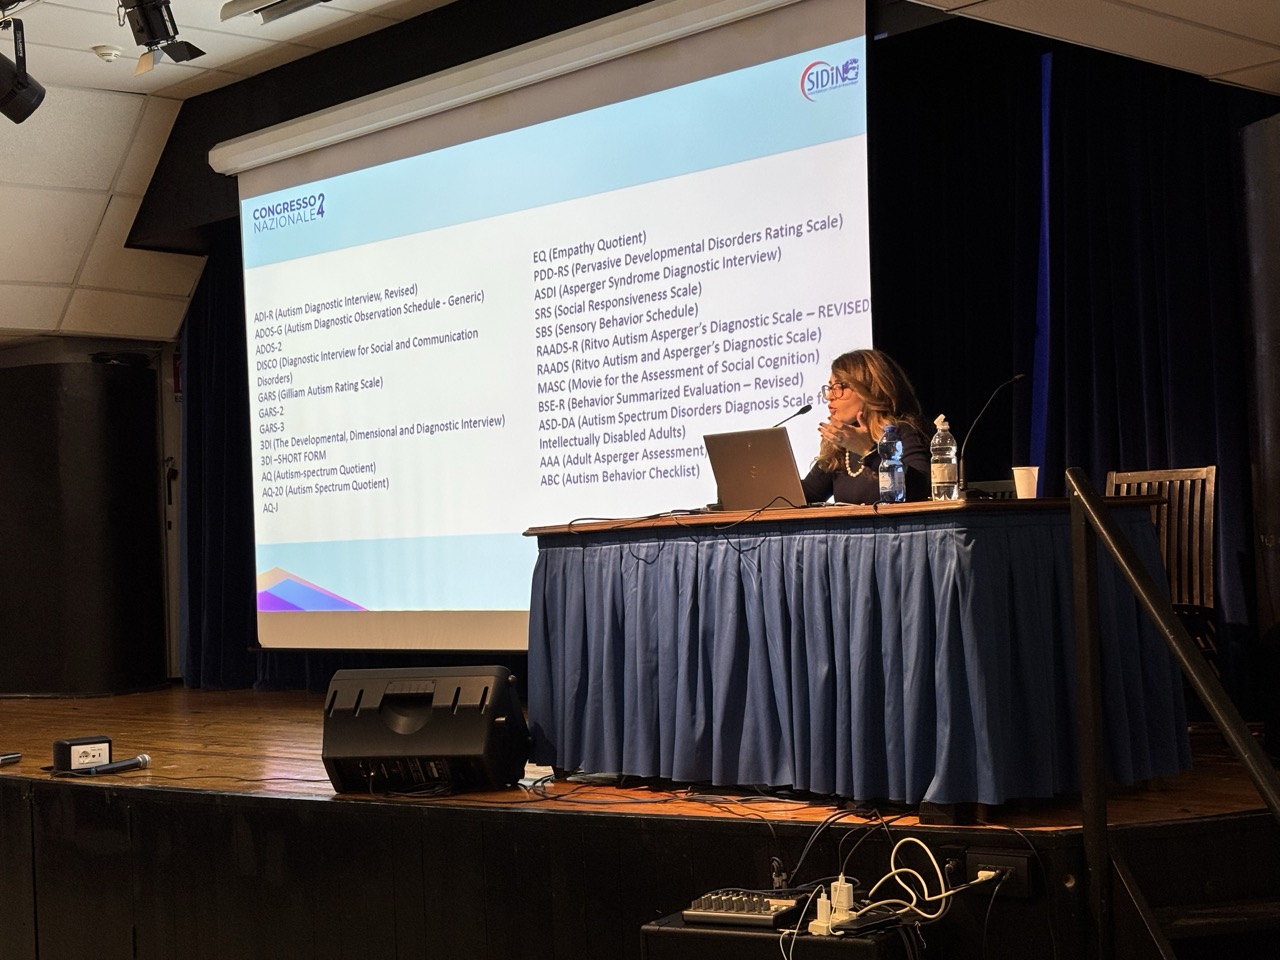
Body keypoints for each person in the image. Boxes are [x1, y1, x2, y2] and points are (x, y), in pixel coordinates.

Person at [800, 348, 930, 504]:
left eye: (839, 387)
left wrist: (867, 451)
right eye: (830, 387)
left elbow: (921, 490)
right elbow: (805, 496)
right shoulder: (840, 446)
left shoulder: (901, 432)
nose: (829, 396)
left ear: (869, 389)